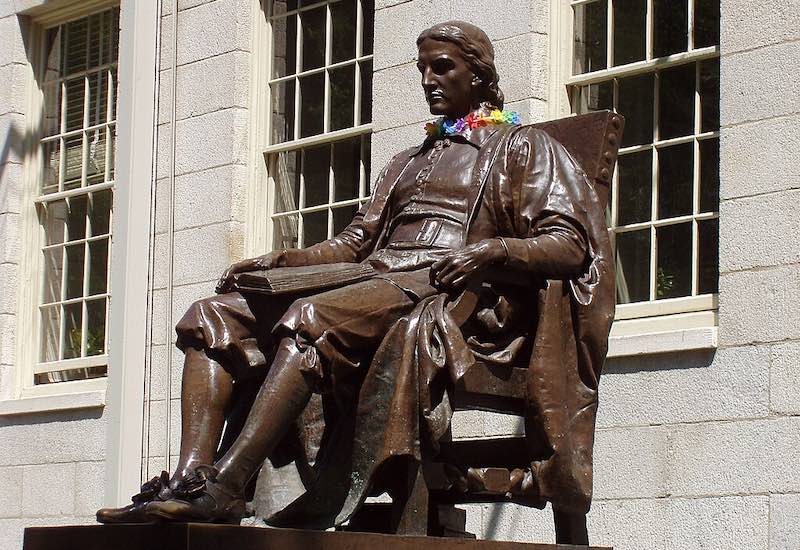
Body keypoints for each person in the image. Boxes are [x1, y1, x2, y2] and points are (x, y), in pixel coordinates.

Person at [97, 20, 613, 527]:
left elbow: (570, 244)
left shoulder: (521, 147)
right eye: (422, 70)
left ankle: (228, 485)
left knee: (310, 317)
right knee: (212, 315)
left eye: (442, 67)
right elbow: (356, 241)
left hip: (444, 292)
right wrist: (287, 259)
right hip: (373, 278)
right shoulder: (407, 161)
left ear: (477, 75)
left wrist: (493, 251)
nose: (428, 80)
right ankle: (192, 480)